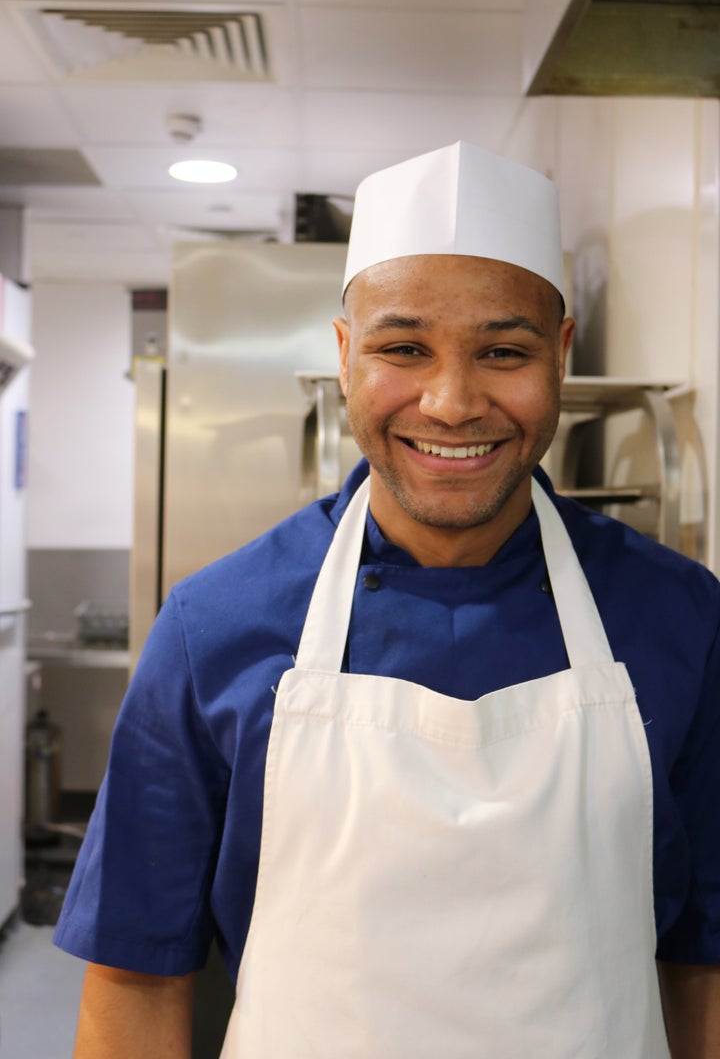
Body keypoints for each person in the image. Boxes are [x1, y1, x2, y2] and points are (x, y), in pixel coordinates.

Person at [55, 142, 720, 1058]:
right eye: (403, 348)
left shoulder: (681, 619)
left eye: (503, 350)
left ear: (560, 353)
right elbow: (135, 978)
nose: (450, 402)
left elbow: (705, 964)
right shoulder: (212, 630)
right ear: (343, 354)